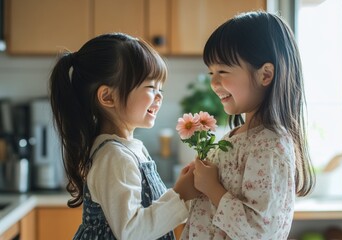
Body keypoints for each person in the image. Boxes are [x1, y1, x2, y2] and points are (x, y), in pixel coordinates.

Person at [49, 32, 199, 240]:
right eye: (150, 87)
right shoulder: (115, 157)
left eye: (160, 89)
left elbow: (146, 211)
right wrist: (181, 196)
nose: (159, 96)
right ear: (107, 96)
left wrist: (180, 192)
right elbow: (131, 232)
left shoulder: (129, 149)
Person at [180, 11, 315, 240]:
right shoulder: (237, 137)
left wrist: (211, 187)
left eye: (222, 71)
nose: (213, 82)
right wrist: (196, 187)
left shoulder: (271, 146)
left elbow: (259, 232)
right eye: (211, 72)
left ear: (266, 75)